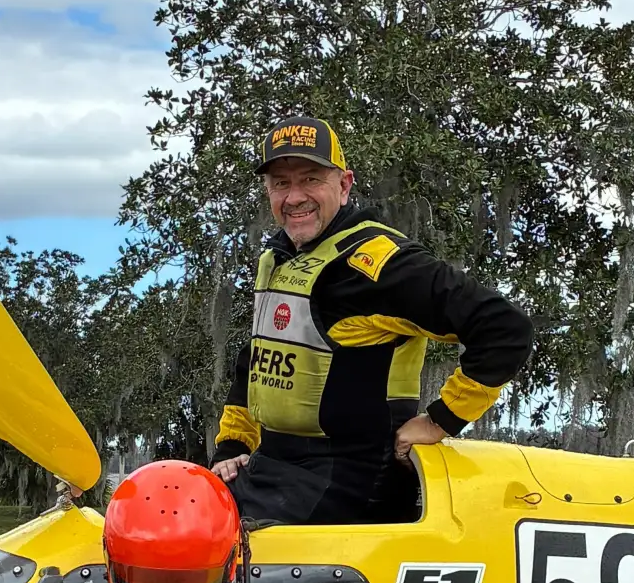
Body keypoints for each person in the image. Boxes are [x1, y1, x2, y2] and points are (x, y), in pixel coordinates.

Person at [209, 115, 533, 525]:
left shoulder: (381, 266)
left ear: (344, 185)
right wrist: (233, 445)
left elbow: (505, 327)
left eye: (311, 180)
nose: (294, 197)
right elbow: (258, 356)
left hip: (346, 486)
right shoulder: (280, 257)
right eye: (281, 183)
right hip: (274, 470)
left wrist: (441, 419)